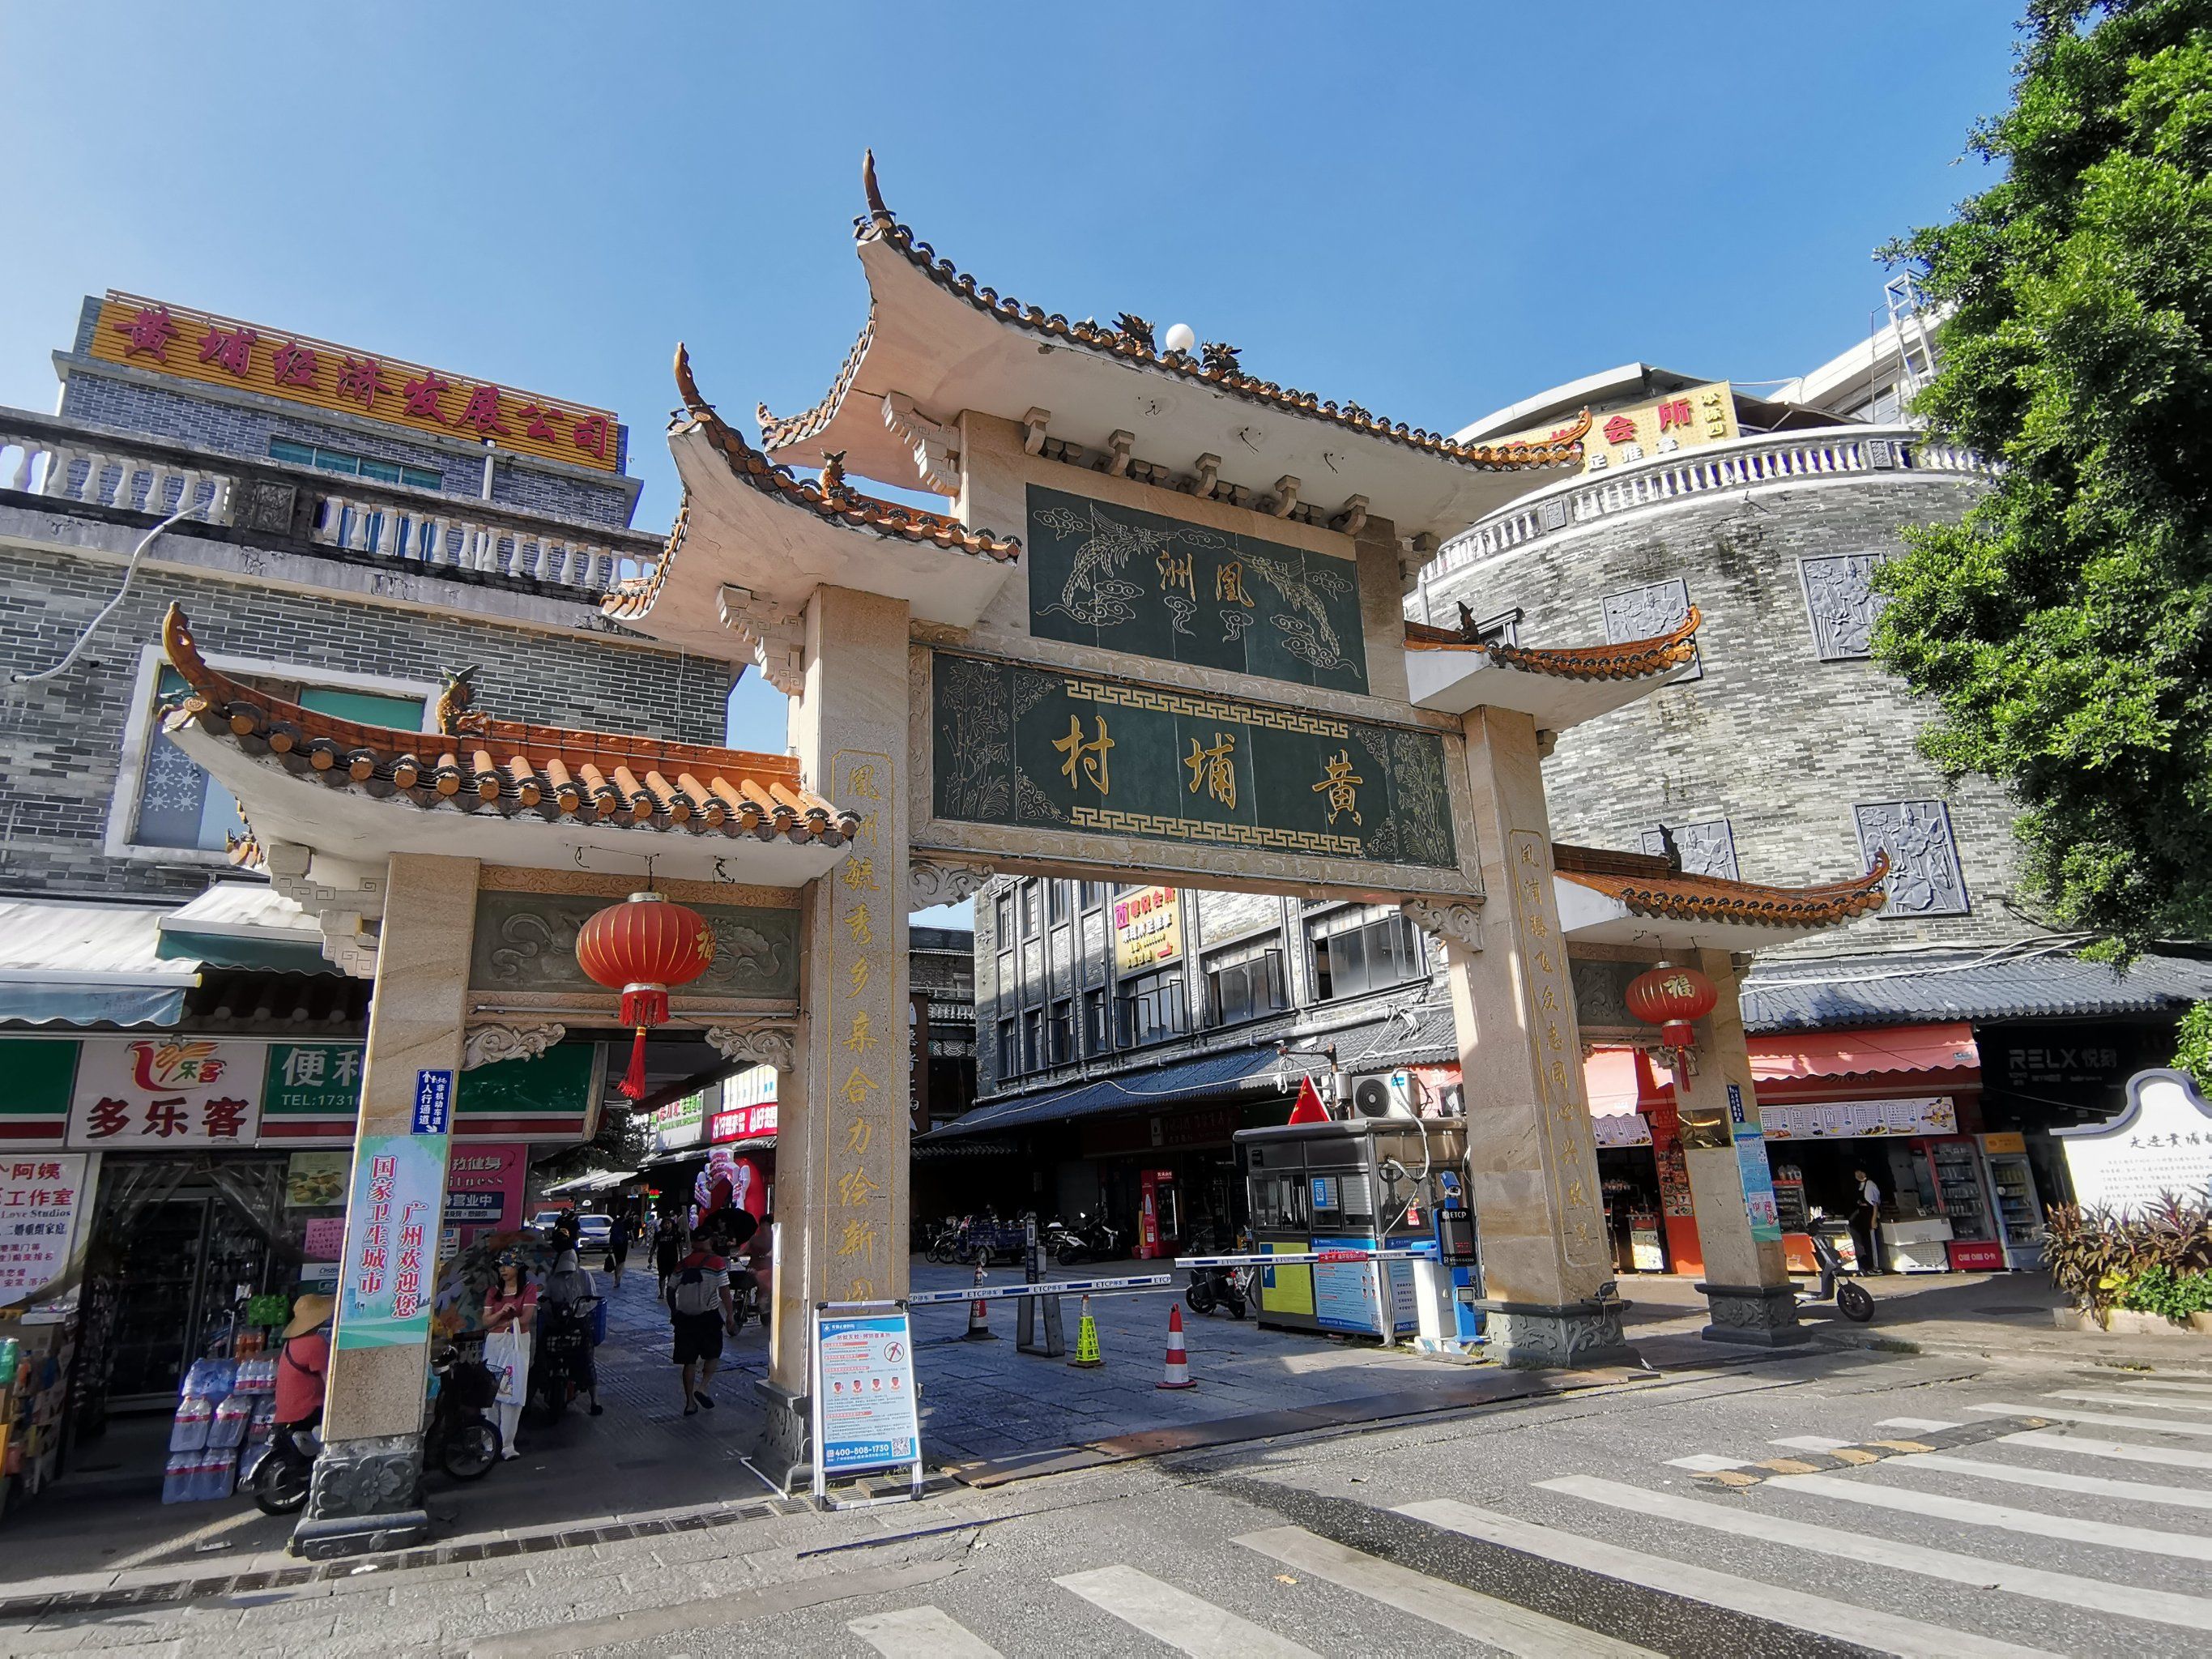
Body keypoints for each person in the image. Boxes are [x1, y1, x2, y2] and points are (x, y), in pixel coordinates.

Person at [667, 1227, 735, 1417]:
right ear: (709, 1242)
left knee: (688, 1361)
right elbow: (725, 1292)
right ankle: (703, 1387)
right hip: (708, 1317)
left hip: (684, 1318)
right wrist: (730, 1315)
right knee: (713, 1353)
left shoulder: (682, 1264)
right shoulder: (717, 1262)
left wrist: (674, 1311)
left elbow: (670, 1290)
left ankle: (690, 1403)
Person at [482, 1251, 539, 1458]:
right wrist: (501, 1313)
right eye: (500, 1266)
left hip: (516, 1343)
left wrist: (502, 1323)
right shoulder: (493, 1292)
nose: (503, 1270)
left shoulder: (529, 1289)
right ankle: (489, 1443)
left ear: (518, 1268)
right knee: (490, 1393)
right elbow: (486, 1321)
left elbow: (525, 1319)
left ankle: (507, 1445)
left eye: (507, 1265)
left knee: (512, 1392)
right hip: (495, 1345)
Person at [542, 1247, 604, 1418]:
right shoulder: (553, 1279)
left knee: (586, 1358)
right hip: (556, 1322)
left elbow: (592, 1299)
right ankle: (530, 1395)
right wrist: (549, 1310)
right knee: (542, 1355)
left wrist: (578, 1309)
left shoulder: (584, 1276)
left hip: (579, 1321)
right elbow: (545, 1299)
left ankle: (595, 1400)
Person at [272, 1292, 334, 1431]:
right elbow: (330, 1382)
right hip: (305, 1415)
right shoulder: (315, 1342)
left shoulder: (290, 1344)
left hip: (284, 1417)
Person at [1848, 1167, 1883, 1277]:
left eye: (1860, 1172)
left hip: (1870, 1215)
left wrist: (1873, 1220)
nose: (1858, 1175)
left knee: (1872, 1243)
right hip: (1863, 1216)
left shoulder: (1870, 1185)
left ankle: (1876, 1267)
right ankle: (1868, 1266)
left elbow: (1875, 1205)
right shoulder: (1860, 1186)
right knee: (1865, 1242)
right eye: (1856, 1173)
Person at [654, 1214, 684, 1299]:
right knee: (662, 1276)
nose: (667, 1225)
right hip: (661, 1258)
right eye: (665, 1223)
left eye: (669, 1223)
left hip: (672, 1258)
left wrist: (681, 1256)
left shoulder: (676, 1234)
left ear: (671, 1224)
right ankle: (662, 1293)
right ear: (662, 1225)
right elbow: (654, 1245)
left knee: (671, 1276)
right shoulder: (659, 1234)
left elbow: (680, 1245)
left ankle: (670, 1292)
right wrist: (651, 1255)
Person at [604, 1213, 631, 1292]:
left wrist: (610, 1246)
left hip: (616, 1245)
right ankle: (618, 1279)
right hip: (623, 1244)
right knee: (621, 1262)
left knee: (618, 1261)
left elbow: (612, 1234)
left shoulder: (615, 1222)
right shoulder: (626, 1222)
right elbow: (630, 1232)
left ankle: (617, 1279)